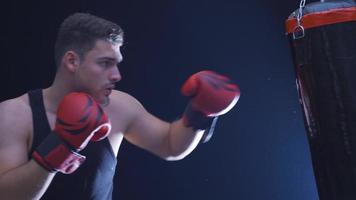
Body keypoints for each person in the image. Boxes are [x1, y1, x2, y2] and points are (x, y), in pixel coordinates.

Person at [0, 13, 240, 200]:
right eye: (105, 63)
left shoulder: (120, 106)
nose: (116, 75)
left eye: (117, 64)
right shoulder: (15, 115)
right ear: (72, 61)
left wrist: (199, 112)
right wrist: (59, 147)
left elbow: (170, 145)